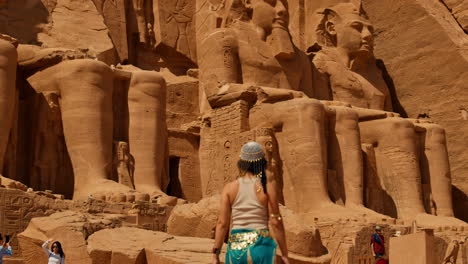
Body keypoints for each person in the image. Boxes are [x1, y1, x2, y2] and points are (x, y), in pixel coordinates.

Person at [211, 142, 289, 264]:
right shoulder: (266, 186)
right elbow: (275, 220)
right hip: (261, 246)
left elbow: (222, 224)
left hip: (237, 249)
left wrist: (215, 254)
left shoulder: (229, 188)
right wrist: (284, 254)